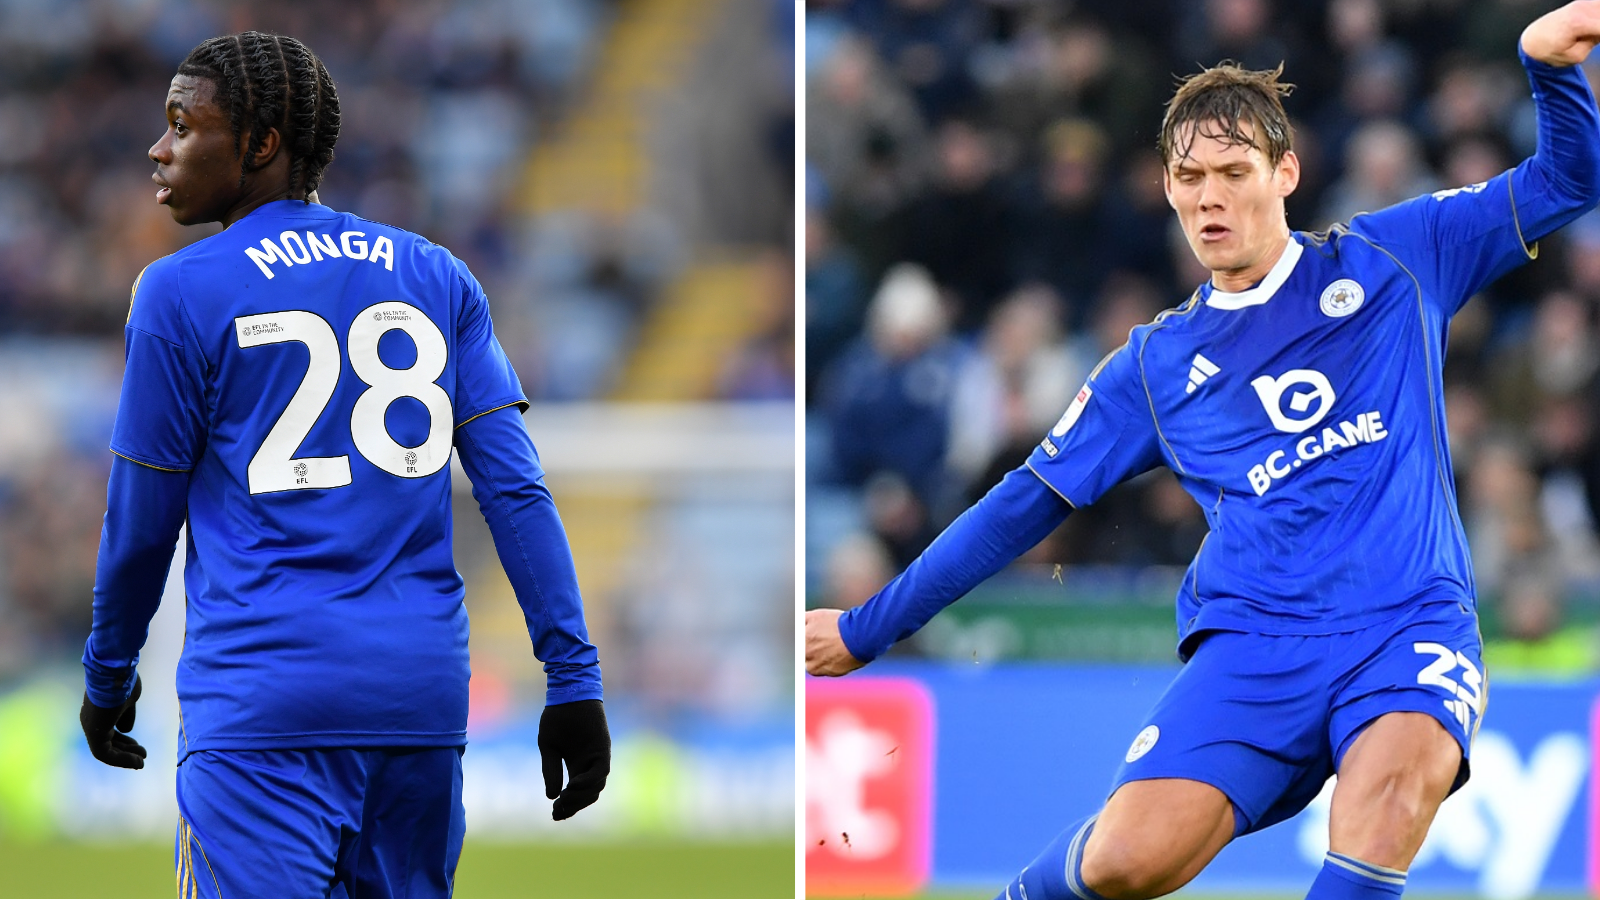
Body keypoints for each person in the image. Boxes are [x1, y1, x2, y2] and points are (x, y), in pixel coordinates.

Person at [805, 3, 1600, 898]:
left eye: (1233, 170)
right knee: (1124, 861)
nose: (1210, 196)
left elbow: (1569, 180)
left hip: (1406, 622)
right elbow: (1021, 503)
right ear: (1169, 187)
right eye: (1189, 176)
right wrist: (870, 625)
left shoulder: (1394, 259)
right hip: (1255, 646)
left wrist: (1548, 69)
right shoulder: (1152, 366)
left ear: (1285, 172)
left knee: (1391, 790)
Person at [78, 32, 609, 898]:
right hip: (419, 703)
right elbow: (516, 491)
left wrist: (108, 673)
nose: (159, 147)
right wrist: (573, 681)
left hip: (263, 704)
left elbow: (141, 526)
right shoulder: (438, 277)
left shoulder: (177, 292)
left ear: (259, 146)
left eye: (182, 124)